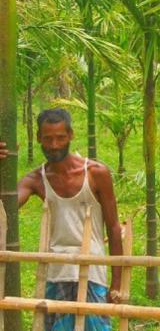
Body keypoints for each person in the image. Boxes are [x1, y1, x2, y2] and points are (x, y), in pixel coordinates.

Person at [0, 109, 122, 331]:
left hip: (92, 271)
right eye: (48, 138)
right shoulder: (36, 180)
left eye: (60, 138)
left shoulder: (96, 173)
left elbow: (114, 228)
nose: (54, 145)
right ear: (38, 138)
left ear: (71, 135)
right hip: (57, 272)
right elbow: (5, 206)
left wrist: (117, 282)